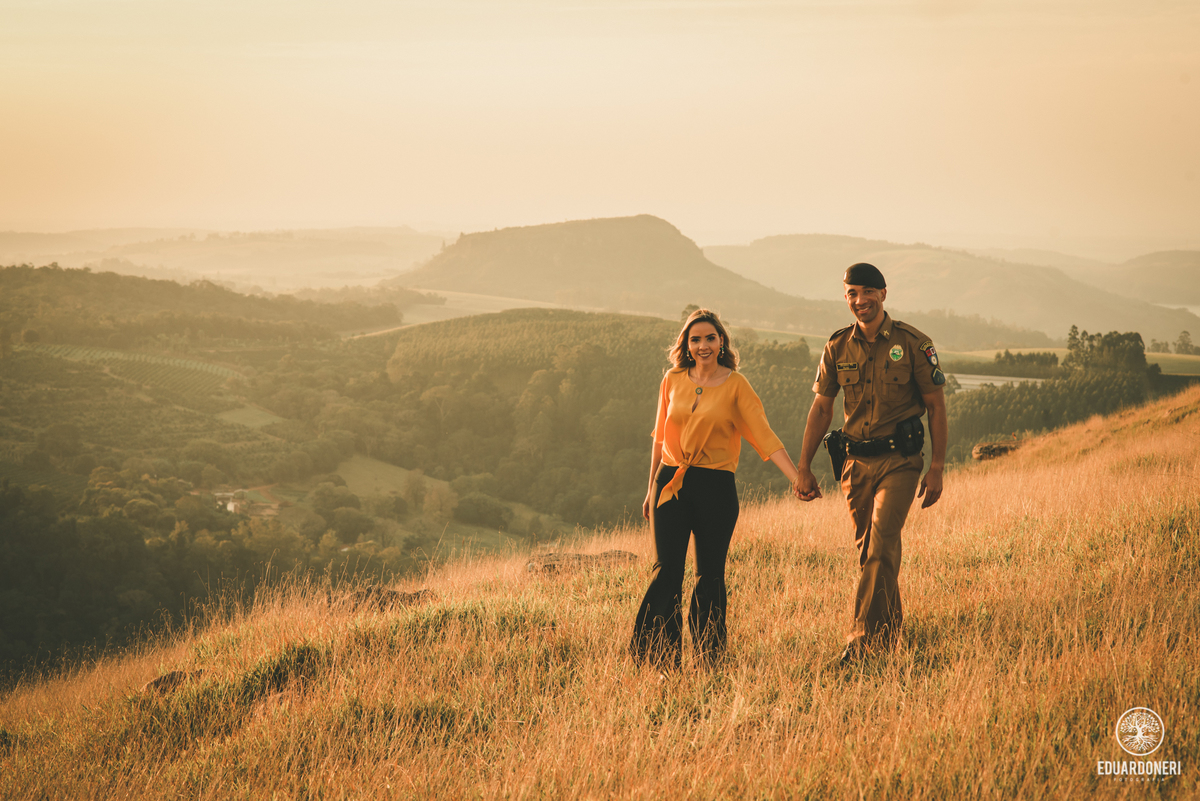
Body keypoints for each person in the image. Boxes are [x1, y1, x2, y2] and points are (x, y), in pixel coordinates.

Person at [630, 308, 802, 670]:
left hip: (715, 488)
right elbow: (659, 440)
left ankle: (711, 660)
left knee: (708, 577)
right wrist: (650, 489)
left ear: (721, 341)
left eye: (710, 338)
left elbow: (763, 435)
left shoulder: (736, 385)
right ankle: (660, 660)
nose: (703, 345)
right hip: (670, 483)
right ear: (686, 345)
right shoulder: (672, 379)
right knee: (667, 574)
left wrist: (797, 477)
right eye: (695, 339)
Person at [793, 263, 948, 663]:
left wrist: (937, 467)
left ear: (883, 293)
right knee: (871, 554)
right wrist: (803, 466)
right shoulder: (837, 347)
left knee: (880, 543)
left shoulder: (913, 343)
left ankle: (861, 644)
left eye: (867, 292)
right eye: (851, 293)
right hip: (855, 464)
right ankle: (892, 636)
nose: (859, 301)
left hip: (901, 461)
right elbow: (822, 409)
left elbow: (935, 406)